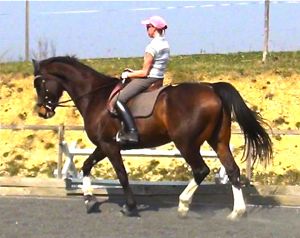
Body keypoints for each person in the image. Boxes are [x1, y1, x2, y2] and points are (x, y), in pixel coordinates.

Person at [114, 15, 170, 145]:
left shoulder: (152, 47)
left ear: (154, 28)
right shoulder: (165, 44)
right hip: (159, 78)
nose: (146, 30)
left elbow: (145, 73)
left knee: (119, 100)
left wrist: (126, 75)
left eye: (147, 27)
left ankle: (132, 132)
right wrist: (134, 72)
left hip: (149, 80)